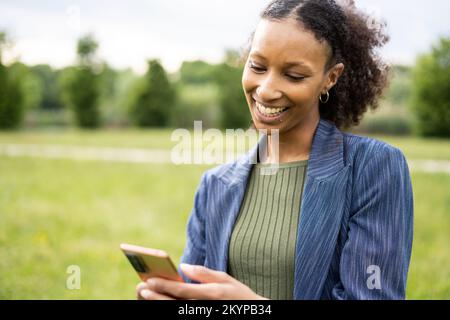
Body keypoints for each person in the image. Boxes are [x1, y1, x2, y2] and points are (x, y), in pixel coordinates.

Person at [137, 0, 413, 300]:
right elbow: (200, 295)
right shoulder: (214, 185)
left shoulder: (373, 168)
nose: (266, 90)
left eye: (294, 75)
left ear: (330, 78)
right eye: (257, 66)